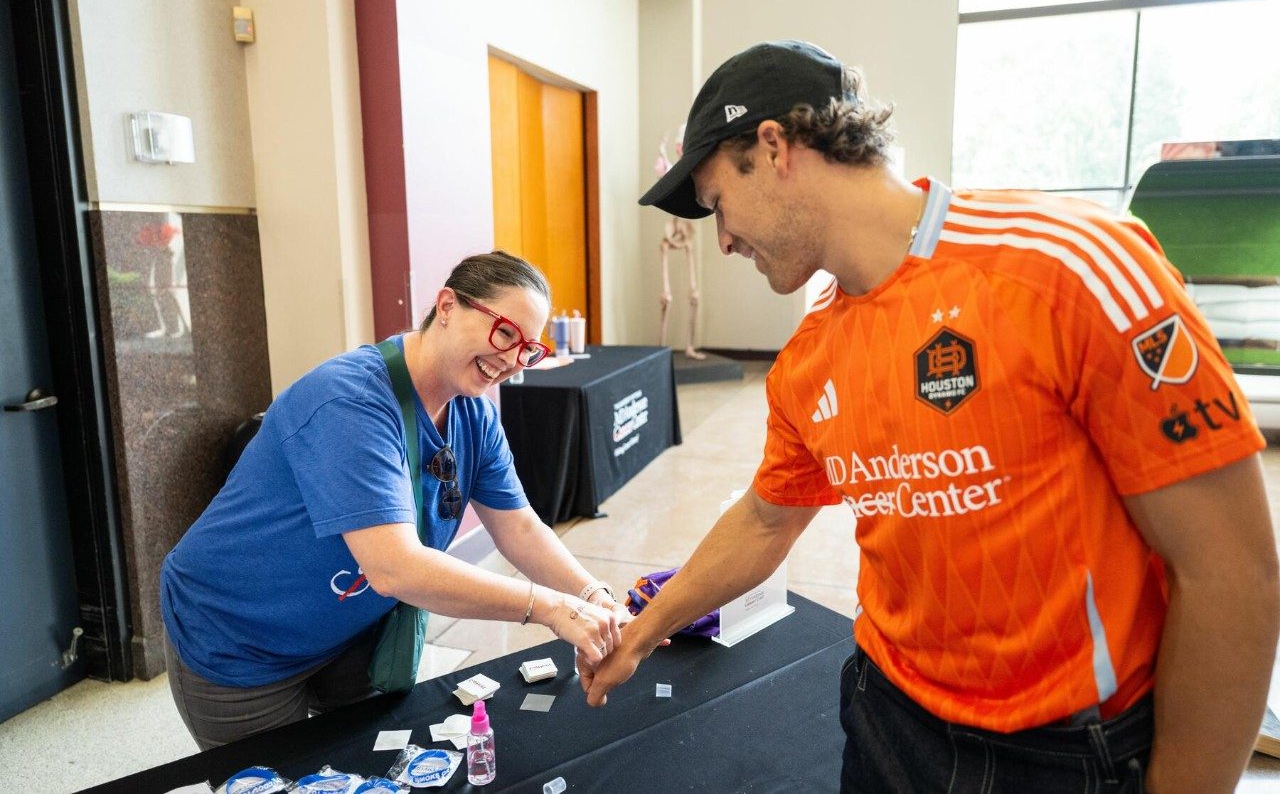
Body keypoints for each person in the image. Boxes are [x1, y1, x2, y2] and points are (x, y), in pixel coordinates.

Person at [583, 40, 1280, 793]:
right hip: (887, 718)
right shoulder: (811, 356)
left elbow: (1230, 574)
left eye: (720, 203)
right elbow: (764, 520)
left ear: (774, 146)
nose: (720, 240)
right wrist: (642, 632)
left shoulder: (1069, 269)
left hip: (1065, 752)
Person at [161, 250, 627, 750]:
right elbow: (394, 569)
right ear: (447, 306)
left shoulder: (474, 414)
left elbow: (519, 527)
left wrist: (592, 597)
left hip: (351, 634)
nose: (512, 360)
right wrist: (551, 609)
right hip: (243, 642)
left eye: (528, 348)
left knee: (369, 770)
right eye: (505, 333)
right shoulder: (350, 402)